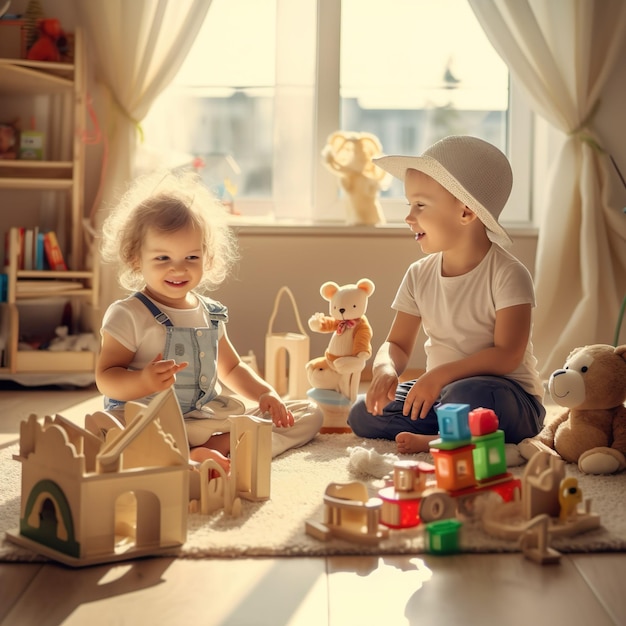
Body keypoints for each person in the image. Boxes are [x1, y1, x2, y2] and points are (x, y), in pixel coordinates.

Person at [96, 169, 322, 470]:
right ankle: (208, 453)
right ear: (136, 258)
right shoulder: (129, 314)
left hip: (202, 419)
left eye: (191, 258)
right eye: (163, 258)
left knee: (310, 412)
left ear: (208, 258)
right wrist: (142, 380)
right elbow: (106, 378)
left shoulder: (211, 313)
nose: (178, 269)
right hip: (147, 419)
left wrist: (266, 394)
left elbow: (232, 367)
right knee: (118, 433)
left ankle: (211, 450)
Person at [348, 135, 545, 454]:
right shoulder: (418, 274)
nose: (409, 217)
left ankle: (441, 438)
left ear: (466, 212)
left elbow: (507, 354)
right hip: (443, 392)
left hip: (506, 397)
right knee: (363, 413)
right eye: (409, 204)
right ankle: (455, 431)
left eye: (420, 205)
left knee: (466, 397)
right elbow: (396, 344)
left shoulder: (508, 274)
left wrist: (438, 376)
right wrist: (385, 368)